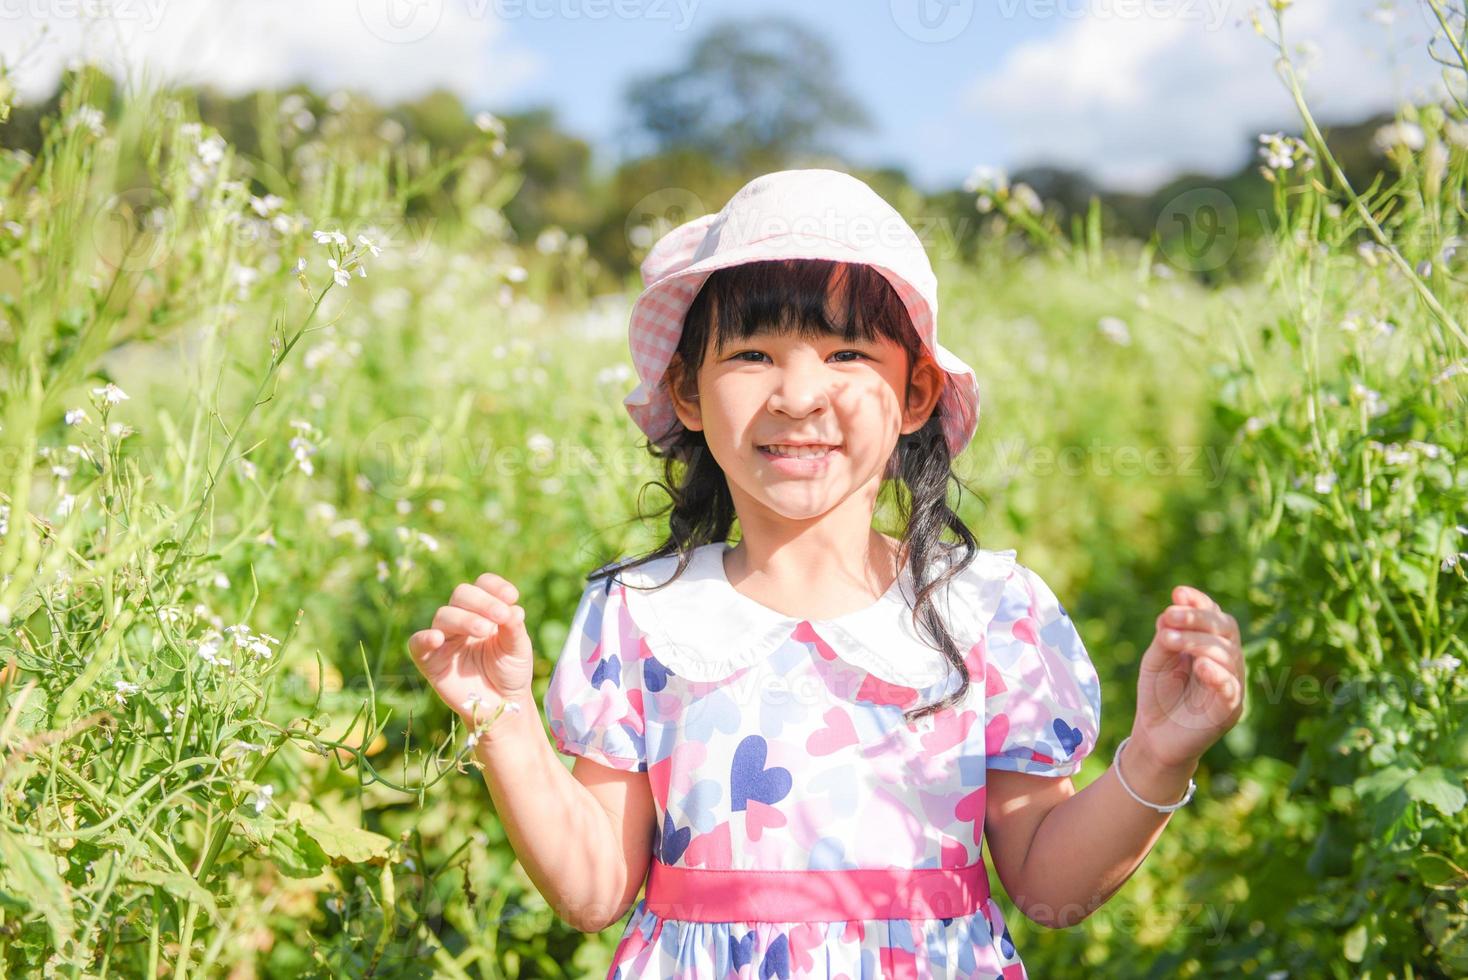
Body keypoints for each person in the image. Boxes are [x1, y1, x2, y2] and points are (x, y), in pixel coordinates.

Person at [408, 169, 1247, 978]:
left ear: (915, 394)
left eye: (848, 353)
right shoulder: (641, 615)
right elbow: (592, 894)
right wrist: (504, 717)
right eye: (751, 355)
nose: (800, 395)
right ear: (689, 394)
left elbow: (1050, 886)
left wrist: (1158, 758)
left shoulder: (986, 610)